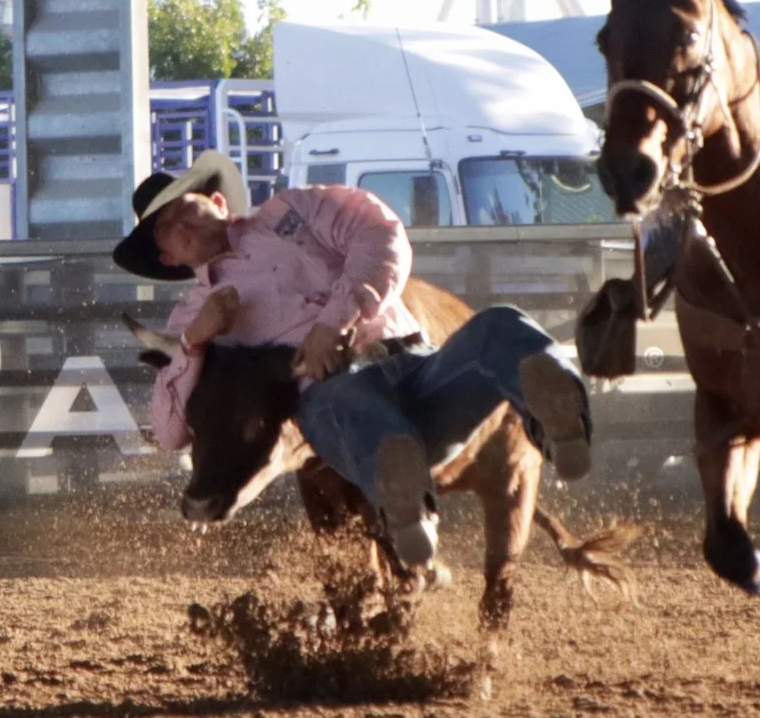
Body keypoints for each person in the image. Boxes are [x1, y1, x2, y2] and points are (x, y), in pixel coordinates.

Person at [116, 152, 593, 571]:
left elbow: (381, 232)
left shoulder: (295, 207)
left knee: (500, 327)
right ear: (168, 255)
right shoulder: (191, 319)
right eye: (166, 229)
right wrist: (195, 342)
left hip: (415, 363)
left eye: (185, 207)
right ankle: (405, 506)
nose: (181, 225)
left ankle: (560, 420)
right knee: (346, 404)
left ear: (217, 202)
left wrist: (334, 322)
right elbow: (170, 430)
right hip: (338, 399)